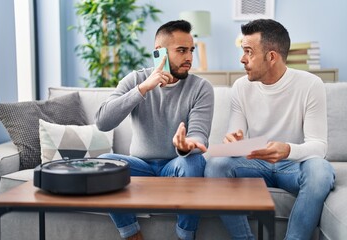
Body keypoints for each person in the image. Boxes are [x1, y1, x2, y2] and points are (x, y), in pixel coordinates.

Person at [204, 19, 335, 240]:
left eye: (248, 52)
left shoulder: (311, 85)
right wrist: (233, 143)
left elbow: (319, 146)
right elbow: (235, 137)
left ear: (271, 56)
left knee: (321, 171)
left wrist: (287, 150)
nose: (242, 59)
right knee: (215, 163)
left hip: (294, 165)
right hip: (255, 164)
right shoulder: (241, 87)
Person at [95, 20, 214, 240]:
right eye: (181, 50)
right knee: (103, 162)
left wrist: (187, 146)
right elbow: (103, 121)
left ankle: (185, 235)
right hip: (140, 167)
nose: (189, 58)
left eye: (191, 50)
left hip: (176, 166)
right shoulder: (136, 79)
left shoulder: (201, 88)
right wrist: (142, 89)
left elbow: (199, 135)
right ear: (159, 53)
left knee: (195, 161)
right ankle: (131, 233)